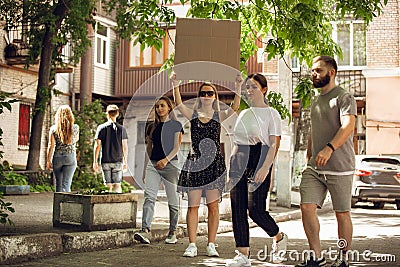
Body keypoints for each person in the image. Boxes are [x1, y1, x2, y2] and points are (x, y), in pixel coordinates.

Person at [171, 72, 241, 258]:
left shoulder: (219, 115)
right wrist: (175, 83)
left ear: (215, 96)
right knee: (193, 206)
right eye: (204, 93)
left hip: (214, 165)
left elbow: (235, 107)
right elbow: (178, 103)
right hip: (195, 163)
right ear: (200, 96)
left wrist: (238, 85)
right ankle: (192, 245)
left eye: (211, 93)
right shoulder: (192, 114)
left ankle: (211, 244)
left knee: (213, 207)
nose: (207, 96)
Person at [295, 56, 356, 267]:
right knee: (306, 206)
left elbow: (348, 127)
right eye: (313, 70)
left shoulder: (343, 97)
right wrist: (310, 155)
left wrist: (329, 149)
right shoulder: (315, 101)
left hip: (340, 167)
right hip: (315, 166)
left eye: (318, 70)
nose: (314, 74)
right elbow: (314, 129)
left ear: (331, 72)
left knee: (342, 214)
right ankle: (316, 256)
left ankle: (343, 259)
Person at [225, 73, 287, 267]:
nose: (249, 90)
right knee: (238, 208)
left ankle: (278, 237)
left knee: (255, 209)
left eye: (254, 87)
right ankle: (243, 254)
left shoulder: (272, 114)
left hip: (259, 157)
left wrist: (265, 167)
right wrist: (231, 170)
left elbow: (274, 144)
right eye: (247, 87)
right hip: (239, 158)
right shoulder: (244, 114)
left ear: (264, 89)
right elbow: (237, 142)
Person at [133, 96, 184, 245]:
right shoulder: (151, 126)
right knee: (149, 197)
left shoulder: (176, 125)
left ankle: (172, 232)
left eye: (162, 106)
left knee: (173, 201)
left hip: (170, 166)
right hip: (153, 166)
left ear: (169, 107)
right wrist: (144, 169)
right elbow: (149, 149)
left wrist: (165, 160)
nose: (159, 109)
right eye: (157, 106)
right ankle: (145, 231)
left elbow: (176, 148)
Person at [93, 105, 128, 193]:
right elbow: (125, 147)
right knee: (117, 184)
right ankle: (117, 203)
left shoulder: (101, 128)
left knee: (107, 184)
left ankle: (108, 204)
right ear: (117, 114)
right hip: (118, 160)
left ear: (107, 114)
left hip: (105, 160)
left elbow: (97, 146)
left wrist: (95, 161)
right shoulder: (122, 129)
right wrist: (125, 161)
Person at [46, 105, 79, 192]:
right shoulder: (75, 128)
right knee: (66, 184)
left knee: (58, 184)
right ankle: (65, 204)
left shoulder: (53, 129)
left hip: (57, 157)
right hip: (70, 157)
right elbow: (76, 140)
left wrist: (48, 160)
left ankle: (57, 205)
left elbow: (51, 145)